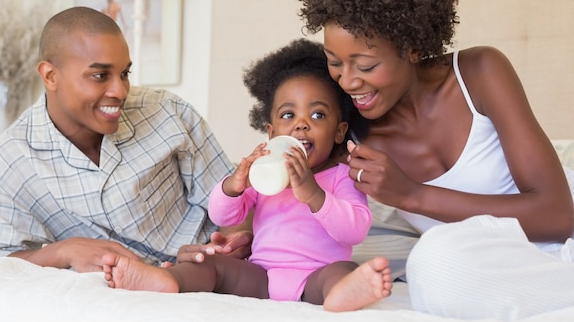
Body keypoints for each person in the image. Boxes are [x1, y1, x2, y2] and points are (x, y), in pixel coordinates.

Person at [296, 0, 574, 320]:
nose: (347, 81)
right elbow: (285, 173)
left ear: (411, 46)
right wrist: (240, 243)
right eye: (335, 62)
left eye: (366, 65)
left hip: (564, 233)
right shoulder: (347, 129)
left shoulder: (479, 73)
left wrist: (411, 195)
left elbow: (558, 215)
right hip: (492, 264)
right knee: (434, 264)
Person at [102, 39, 392, 312]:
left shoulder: (342, 176)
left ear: (339, 131)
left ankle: (341, 294)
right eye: (288, 115)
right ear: (271, 132)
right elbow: (222, 216)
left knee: (345, 272)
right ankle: (166, 280)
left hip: (316, 276)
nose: (301, 125)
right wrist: (234, 186)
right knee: (211, 264)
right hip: (261, 276)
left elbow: (355, 229)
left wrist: (314, 195)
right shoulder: (266, 172)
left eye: (317, 115)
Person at [0, 6, 249, 272]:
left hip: (209, 269)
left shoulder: (168, 112)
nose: (120, 90)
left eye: (124, 73)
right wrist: (65, 251)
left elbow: (237, 206)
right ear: (50, 76)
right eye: (100, 75)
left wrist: (234, 242)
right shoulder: (12, 157)